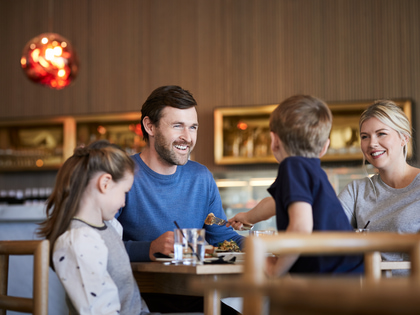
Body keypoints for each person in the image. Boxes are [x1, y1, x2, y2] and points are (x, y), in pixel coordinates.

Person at [116, 85, 243, 313]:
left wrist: (261, 249)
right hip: (137, 299)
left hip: (194, 295)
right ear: (149, 126)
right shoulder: (120, 174)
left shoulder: (201, 177)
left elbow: (222, 240)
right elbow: (96, 243)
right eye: (177, 126)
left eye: (193, 127)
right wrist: (149, 248)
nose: (187, 137)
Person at [228, 95, 364, 276]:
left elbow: (301, 227)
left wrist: (277, 268)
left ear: (274, 140)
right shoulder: (311, 170)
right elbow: (275, 203)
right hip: (346, 272)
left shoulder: (292, 166)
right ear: (324, 147)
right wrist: (248, 217)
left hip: (327, 277)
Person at [37, 140, 151, 315]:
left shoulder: (108, 227)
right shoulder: (79, 241)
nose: (124, 202)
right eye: (124, 192)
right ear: (105, 183)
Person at [338, 100, 420, 275]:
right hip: (366, 295)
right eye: (365, 136)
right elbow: (327, 231)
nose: (371, 143)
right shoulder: (356, 190)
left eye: (381, 134)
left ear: (404, 138)